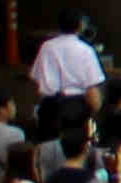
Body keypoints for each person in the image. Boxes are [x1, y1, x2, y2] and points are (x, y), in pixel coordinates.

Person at [26, 10, 105, 158]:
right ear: (80, 26)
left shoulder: (46, 47)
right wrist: (95, 109)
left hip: (49, 107)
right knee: (74, 155)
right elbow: (92, 88)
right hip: (76, 108)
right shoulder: (85, 50)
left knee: (47, 155)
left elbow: (36, 80)